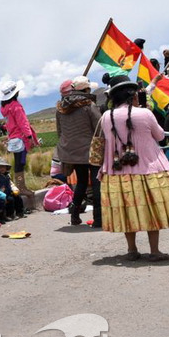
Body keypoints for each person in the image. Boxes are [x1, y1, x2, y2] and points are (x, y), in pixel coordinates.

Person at [99, 75, 169, 261]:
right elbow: (160, 136)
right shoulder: (145, 114)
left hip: (117, 172)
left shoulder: (107, 117)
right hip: (149, 169)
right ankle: (154, 251)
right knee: (151, 210)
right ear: (133, 95)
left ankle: (132, 250)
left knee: (127, 209)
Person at [56, 76, 102, 227]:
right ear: (86, 90)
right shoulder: (89, 105)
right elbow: (99, 127)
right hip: (90, 151)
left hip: (71, 152)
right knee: (96, 183)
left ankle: (75, 215)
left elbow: (60, 131)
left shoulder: (61, 108)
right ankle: (99, 218)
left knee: (81, 182)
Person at [0, 80, 39, 211]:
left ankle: (19, 186)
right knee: (20, 163)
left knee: (17, 163)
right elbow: (23, 122)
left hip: (13, 138)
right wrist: (29, 136)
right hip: (21, 139)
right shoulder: (16, 106)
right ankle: (21, 187)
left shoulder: (5, 108)